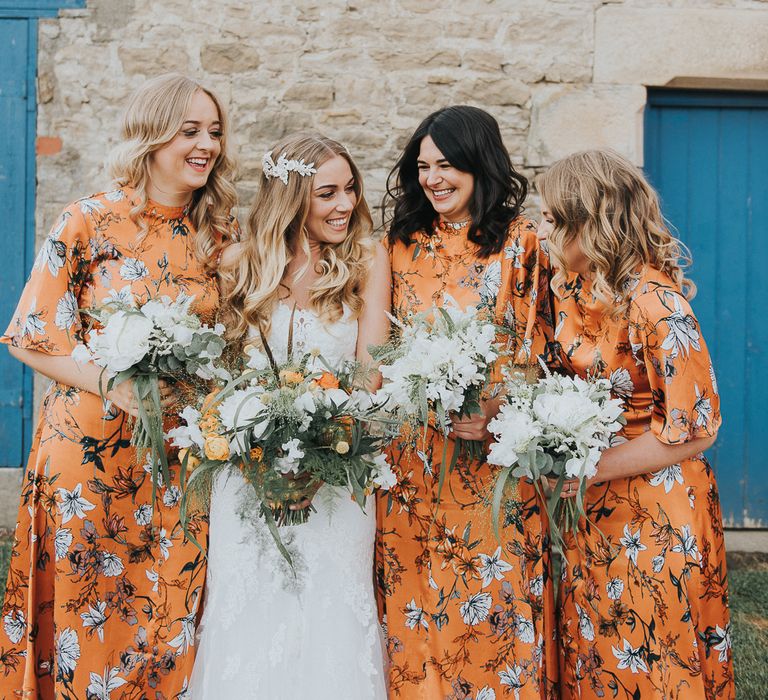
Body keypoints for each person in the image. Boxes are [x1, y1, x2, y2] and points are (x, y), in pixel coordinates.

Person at [0, 73, 238, 697]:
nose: (206, 145)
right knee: (90, 613)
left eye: (213, 132)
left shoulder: (222, 233)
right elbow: (32, 336)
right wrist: (113, 383)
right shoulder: (87, 221)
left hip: (183, 458)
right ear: (151, 134)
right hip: (87, 453)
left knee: (170, 613)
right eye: (189, 131)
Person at [190, 133, 391, 699]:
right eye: (326, 192)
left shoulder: (366, 261)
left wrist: (322, 452)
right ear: (290, 196)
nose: (345, 204)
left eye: (350, 189)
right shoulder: (238, 263)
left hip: (338, 477)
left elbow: (369, 374)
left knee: (331, 617)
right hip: (246, 476)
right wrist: (258, 453)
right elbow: (222, 377)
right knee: (251, 613)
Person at [537, 149, 734, 699]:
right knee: (602, 656)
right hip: (595, 508)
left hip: (655, 509)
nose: (540, 229)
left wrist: (586, 471)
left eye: (551, 218)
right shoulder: (574, 290)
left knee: (653, 658)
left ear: (588, 221)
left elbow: (697, 430)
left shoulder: (658, 304)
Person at [376, 105, 558, 698]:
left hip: (490, 463)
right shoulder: (401, 245)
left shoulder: (522, 243)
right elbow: (378, 350)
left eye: (447, 164)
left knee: (492, 611)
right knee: (415, 611)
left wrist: (502, 414)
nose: (432, 179)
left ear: (481, 164)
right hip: (411, 461)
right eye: (423, 166)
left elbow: (542, 348)